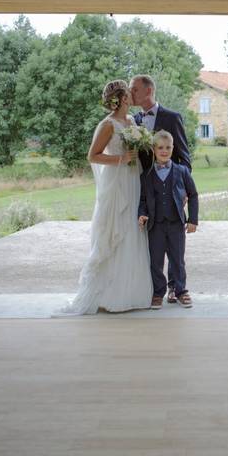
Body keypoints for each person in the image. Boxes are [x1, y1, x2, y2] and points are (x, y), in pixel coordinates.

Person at [61, 80, 153, 314]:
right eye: (128, 93)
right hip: (116, 181)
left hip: (133, 179)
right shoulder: (107, 125)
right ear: (122, 99)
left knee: (132, 230)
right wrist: (121, 159)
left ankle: (130, 292)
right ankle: (108, 294)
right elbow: (93, 156)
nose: (132, 96)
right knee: (115, 229)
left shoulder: (131, 121)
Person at [138, 130, 199, 309]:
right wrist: (141, 214)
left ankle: (180, 290)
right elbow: (142, 199)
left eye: (168, 147)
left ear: (173, 148)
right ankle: (158, 292)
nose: (164, 151)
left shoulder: (182, 171)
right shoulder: (146, 176)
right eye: (160, 148)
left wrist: (193, 220)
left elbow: (193, 195)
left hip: (176, 224)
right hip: (155, 225)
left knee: (177, 259)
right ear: (153, 149)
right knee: (156, 261)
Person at [130, 74, 192, 171]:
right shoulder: (132, 121)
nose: (130, 94)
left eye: (135, 90)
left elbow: (185, 158)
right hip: (142, 184)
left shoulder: (172, 118)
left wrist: (178, 179)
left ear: (148, 91)